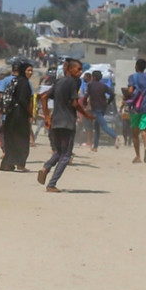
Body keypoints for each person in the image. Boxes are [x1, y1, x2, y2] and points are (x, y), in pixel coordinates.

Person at [37, 58, 94, 192]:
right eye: (78, 69)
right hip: (67, 122)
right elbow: (74, 103)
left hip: (56, 121)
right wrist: (86, 114)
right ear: (69, 69)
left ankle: (45, 167)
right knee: (66, 155)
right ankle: (52, 184)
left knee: (58, 151)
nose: (81, 72)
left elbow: (44, 97)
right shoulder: (73, 82)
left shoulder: (59, 82)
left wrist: (46, 116)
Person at [0, 63, 34, 172]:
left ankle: (8, 164)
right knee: (22, 139)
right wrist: (30, 114)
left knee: (11, 138)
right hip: (20, 114)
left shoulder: (15, 81)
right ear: (23, 71)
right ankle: (20, 164)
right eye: (28, 70)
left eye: (32, 71)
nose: (30, 73)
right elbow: (23, 100)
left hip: (11, 114)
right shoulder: (24, 83)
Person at [126, 58, 146, 163]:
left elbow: (130, 91)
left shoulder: (132, 77)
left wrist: (127, 95)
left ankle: (138, 156)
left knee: (135, 132)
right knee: (144, 130)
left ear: (136, 66)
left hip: (135, 108)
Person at [85, 70, 118, 150]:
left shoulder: (90, 85)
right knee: (96, 127)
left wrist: (84, 104)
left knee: (103, 126)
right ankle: (95, 146)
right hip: (103, 108)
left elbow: (86, 95)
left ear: (94, 77)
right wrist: (108, 102)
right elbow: (112, 94)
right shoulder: (103, 86)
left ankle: (115, 137)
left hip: (95, 108)